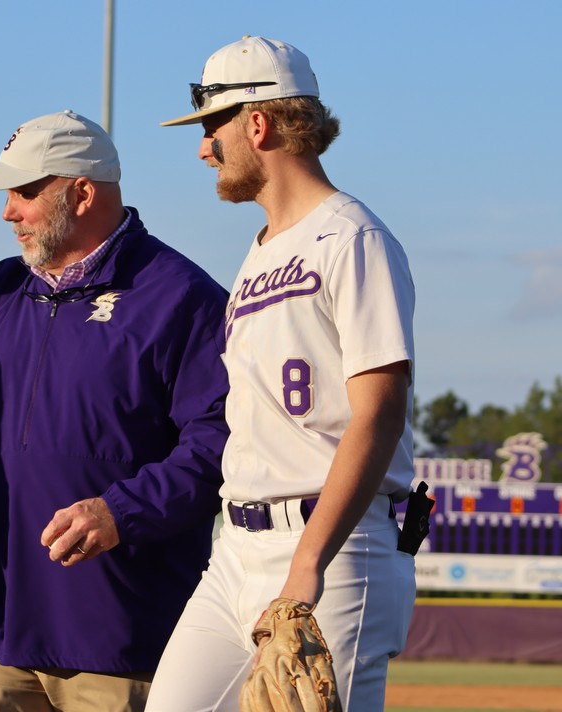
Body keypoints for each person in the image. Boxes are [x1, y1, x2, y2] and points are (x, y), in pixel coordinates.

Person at [0, 110, 230, 711]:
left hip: (126, 642)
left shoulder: (182, 298)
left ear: (83, 193)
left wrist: (120, 511)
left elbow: (221, 445)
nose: (8, 211)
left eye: (26, 191)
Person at [147, 37, 417, 711]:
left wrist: (307, 566)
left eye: (213, 127)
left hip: (335, 549)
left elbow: (378, 412)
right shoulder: (260, 256)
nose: (204, 147)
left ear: (258, 124)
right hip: (235, 549)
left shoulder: (352, 238)